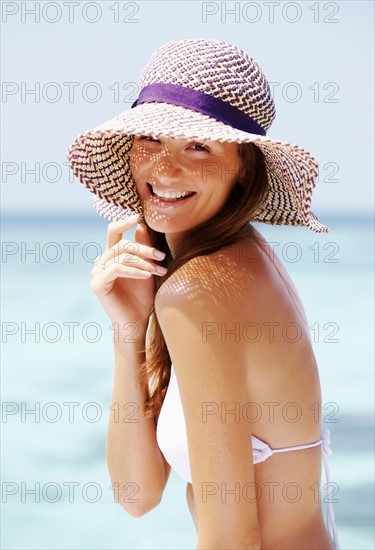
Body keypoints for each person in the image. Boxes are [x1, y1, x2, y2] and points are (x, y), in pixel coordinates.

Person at [68, 38, 340, 549]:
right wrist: (129, 332)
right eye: (151, 138)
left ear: (243, 168)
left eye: (197, 145)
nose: (165, 169)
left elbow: (232, 541)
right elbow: (137, 493)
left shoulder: (200, 291)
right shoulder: (225, 267)